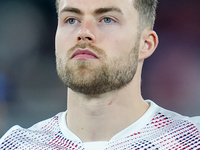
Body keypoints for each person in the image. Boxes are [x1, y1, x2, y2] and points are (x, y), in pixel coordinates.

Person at [1, 0, 200, 149]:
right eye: (71, 19)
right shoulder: (17, 145)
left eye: (107, 19)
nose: (84, 32)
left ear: (145, 44)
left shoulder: (191, 140)